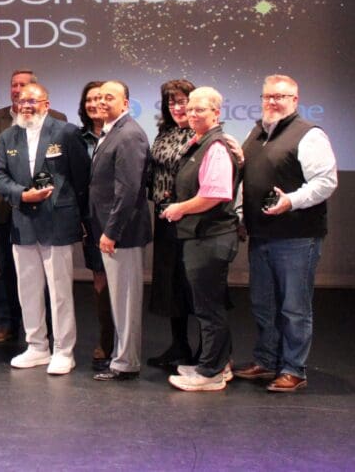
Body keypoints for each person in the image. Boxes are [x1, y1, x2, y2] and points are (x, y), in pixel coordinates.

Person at [233, 74, 337, 393]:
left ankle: (294, 369)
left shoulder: (309, 135)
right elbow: (246, 181)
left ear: (295, 100)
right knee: (263, 304)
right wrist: (241, 214)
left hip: (297, 237)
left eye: (280, 97)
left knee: (294, 307)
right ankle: (267, 361)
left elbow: (325, 182)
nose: (272, 102)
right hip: (261, 235)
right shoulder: (256, 133)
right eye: (268, 96)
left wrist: (290, 201)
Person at [0, 83, 90, 374]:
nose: (26, 105)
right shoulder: (8, 136)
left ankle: (63, 350)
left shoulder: (66, 132)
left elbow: (81, 176)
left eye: (33, 101)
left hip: (57, 222)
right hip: (23, 222)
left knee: (60, 291)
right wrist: (22, 195)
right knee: (28, 289)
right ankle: (36, 346)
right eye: (22, 100)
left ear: (46, 104)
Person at [160, 87, 241, 391]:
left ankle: (211, 373)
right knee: (208, 305)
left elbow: (214, 194)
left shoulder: (215, 147)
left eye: (200, 109)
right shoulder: (201, 142)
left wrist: (179, 208)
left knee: (209, 308)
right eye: (190, 108)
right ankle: (215, 364)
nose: (192, 114)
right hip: (201, 236)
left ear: (216, 113)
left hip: (210, 236)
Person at [0, 69, 66, 345]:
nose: (18, 90)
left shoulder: (58, 120)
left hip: (46, 208)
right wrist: (19, 192)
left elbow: (65, 168)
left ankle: (51, 329)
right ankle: (8, 323)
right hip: (6, 207)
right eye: (14, 85)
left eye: (24, 85)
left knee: (47, 273)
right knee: (8, 269)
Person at [89, 80, 152, 381]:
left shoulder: (128, 135)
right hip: (112, 229)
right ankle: (121, 357)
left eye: (109, 97)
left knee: (125, 302)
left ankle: (126, 363)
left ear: (125, 103)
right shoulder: (112, 131)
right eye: (99, 97)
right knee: (119, 300)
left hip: (122, 233)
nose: (102, 102)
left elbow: (128, 190)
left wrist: (111, 231)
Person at [145, 79, 197, 370]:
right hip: (164, 218)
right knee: (171, 285)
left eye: (182, 101)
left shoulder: (201, 134)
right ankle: (179, 346)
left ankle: (209, 352)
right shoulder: (165, 132)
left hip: (191, 219)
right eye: (171, 102)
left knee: (193, 286)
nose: (177, 107)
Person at [76, 81, 114, 370]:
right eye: (89, 99)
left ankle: (124, 340)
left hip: (117, 217)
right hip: (89, 218)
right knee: (99, 276)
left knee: (121, 281)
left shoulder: (122, 134)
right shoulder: (77, 139)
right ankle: (106, 339)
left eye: (100, 98)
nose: (94, 104)